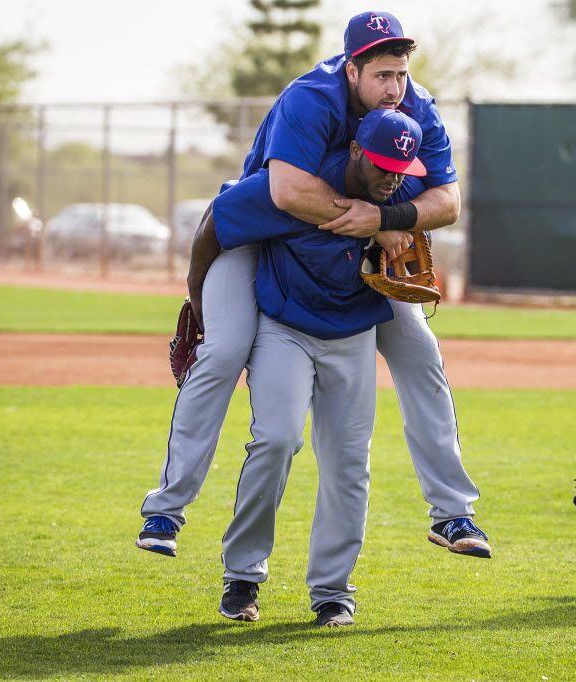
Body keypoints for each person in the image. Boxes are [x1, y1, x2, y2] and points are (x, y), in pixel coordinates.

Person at [136, 11, 489, 562]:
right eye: (381, 75)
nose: (394, 88)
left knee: (420, 353)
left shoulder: (415, 110)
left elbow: (447, 201)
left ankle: (452, 514)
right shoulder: (311, 99)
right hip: (261, 231)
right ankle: (167, 507)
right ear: (352, 70)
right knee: (224, 350)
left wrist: (390, 219)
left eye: (401, 73)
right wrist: (198, 302)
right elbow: (283, 192)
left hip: (352, 236)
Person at [204, 109, 427, 627]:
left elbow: (438, 208)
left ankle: (333, 591)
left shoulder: (395, 203)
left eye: (402, 167)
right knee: (277, 439)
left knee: (350, 462)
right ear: (354, 152)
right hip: (284, 328)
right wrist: (199, 301)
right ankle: (241, 577)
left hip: (353, 334)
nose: (392, 177)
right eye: (382, 165)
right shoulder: (296, 186)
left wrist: (392, 227)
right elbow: (216, 220)